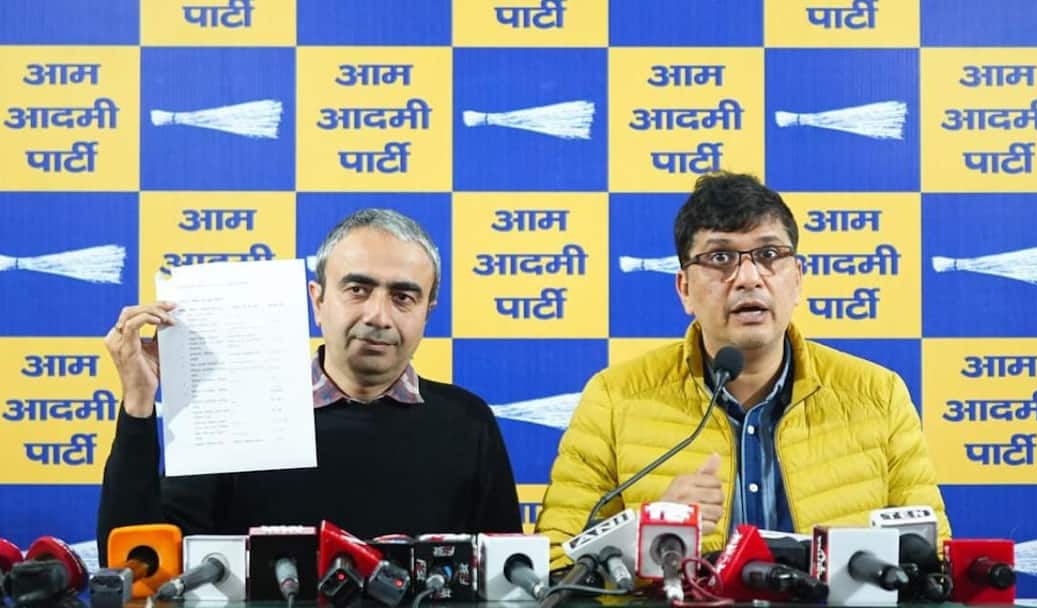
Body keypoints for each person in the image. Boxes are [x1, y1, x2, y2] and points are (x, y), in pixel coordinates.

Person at [536, 171, 949, 566]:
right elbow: (556, 562)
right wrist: (648, 533)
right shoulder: (615, 398)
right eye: (720, 258)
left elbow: (932, 562)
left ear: (798, 279)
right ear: (684, 289)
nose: (748, 278)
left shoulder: (877, 395)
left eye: (768, 255)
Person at [97, 209, 521, 557]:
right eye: (358, 290)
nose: (378, 315)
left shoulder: (468, 421)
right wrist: (138, 402)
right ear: (317, 301)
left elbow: (507, 583)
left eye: (403, 298)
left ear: (427, 312)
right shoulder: (239, 413)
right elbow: (138, 564)